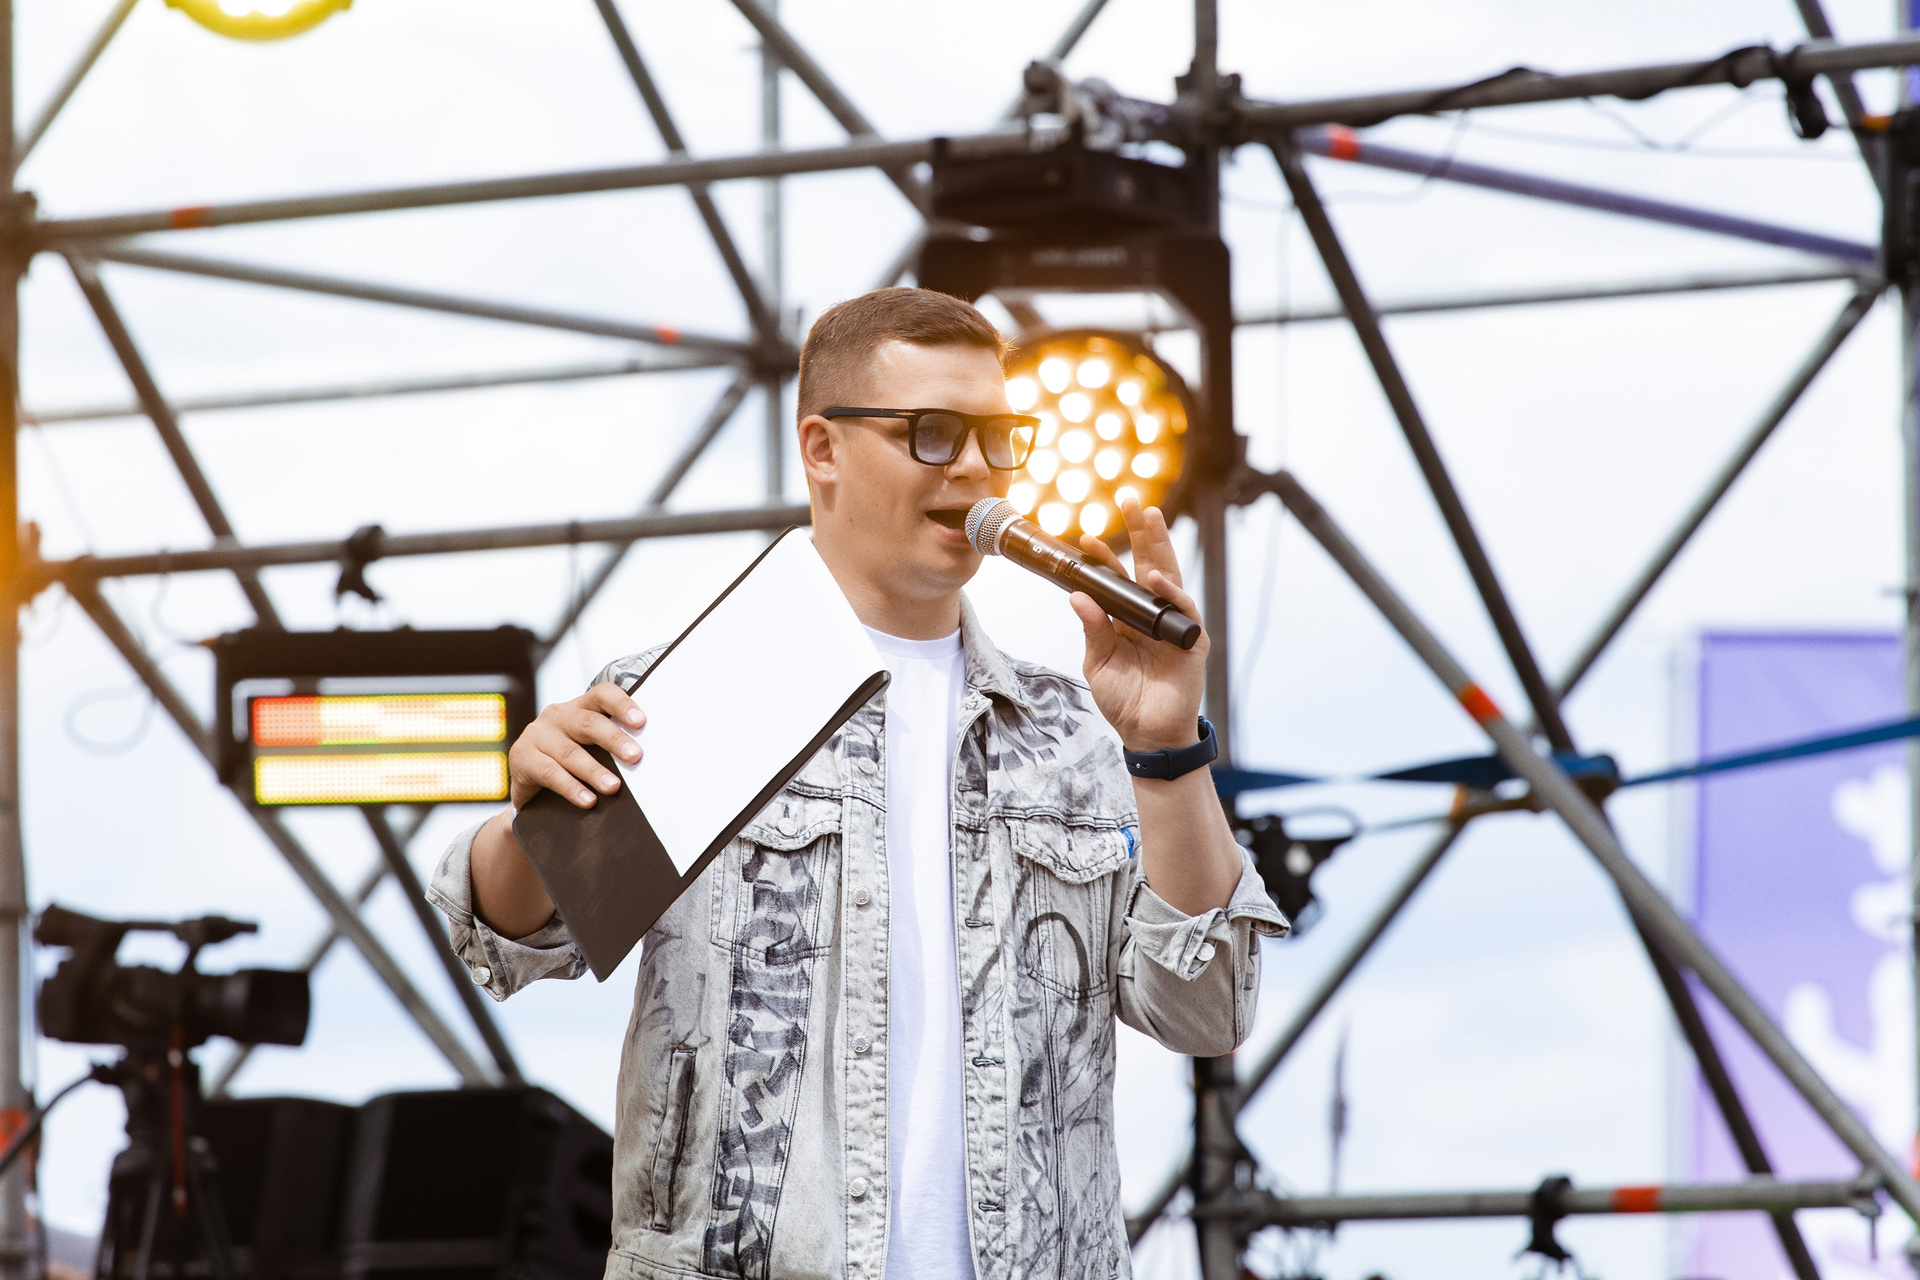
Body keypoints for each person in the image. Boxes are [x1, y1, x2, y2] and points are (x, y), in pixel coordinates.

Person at [428, 287, 1286, 1280]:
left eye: (998, 438)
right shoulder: (694, 693)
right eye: (932, 433)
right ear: (821, 449)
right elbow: (508, 939)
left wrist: (1169, 749)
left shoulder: (1070, 728)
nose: (975, 468)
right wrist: (529, 817)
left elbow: (1207, 1010)